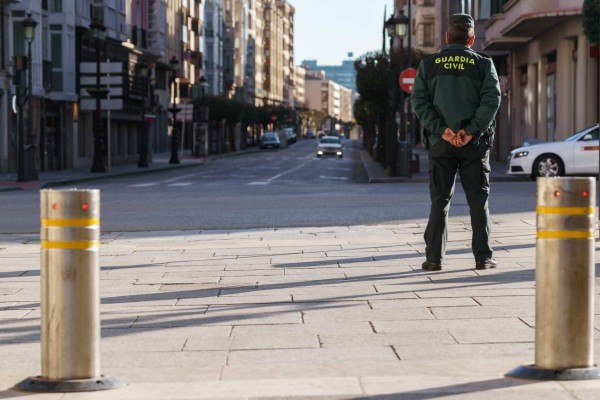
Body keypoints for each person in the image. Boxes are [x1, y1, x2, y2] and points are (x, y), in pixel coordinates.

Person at [410, 13, 501, 271]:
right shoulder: (483, 64)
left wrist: (443, 131)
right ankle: (483, 257)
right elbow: (492, 100)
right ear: (472, 39)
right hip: (474, 145)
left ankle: (433, 258)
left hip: (441, 143)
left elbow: (419, 101)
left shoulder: (429, 64)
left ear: (447, 37)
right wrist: (470, 131)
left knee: (440, 200)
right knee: (477, 200)